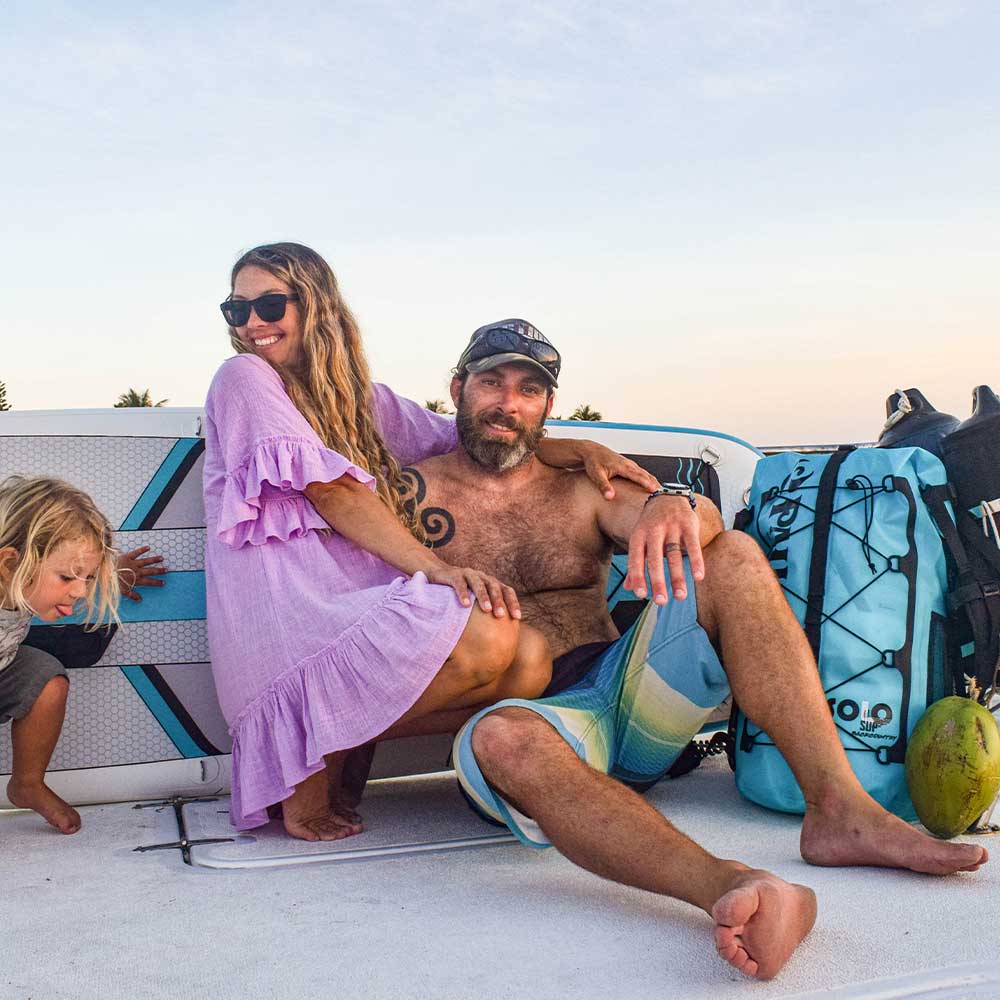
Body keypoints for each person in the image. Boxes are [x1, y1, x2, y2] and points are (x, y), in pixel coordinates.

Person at [400, 319, 990, 982]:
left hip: (629, 696)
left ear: (547, 406)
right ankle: (731, 887)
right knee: (502, 739)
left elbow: (691, 522)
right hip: (539, 729)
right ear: (458, 388)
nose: (509, 401)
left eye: (530, 389)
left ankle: (841, 810)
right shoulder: (409, 498)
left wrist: (679, 504)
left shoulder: (579, 486)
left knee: (733, 554)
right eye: (492, 381)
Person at [203, 243, 658, 842]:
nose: (253, 323)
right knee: (489, 633)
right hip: (288, 607)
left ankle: (328, 750)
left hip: (348, 599)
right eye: (237, 309)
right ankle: (309, 769)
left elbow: (471, 435)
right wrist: (434, 568)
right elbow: (333, 492)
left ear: (317, 306)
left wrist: (579, 449)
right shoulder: (245, 378)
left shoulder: (360, 400)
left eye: (269, 304)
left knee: (529, 663)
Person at [0, 475, 121, 834]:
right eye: (69, 578)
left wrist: (116, 571)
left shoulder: (17, 579)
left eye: (86, 578)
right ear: (9, 564)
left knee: (46, 677)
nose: (81, 592)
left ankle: (27, 783)